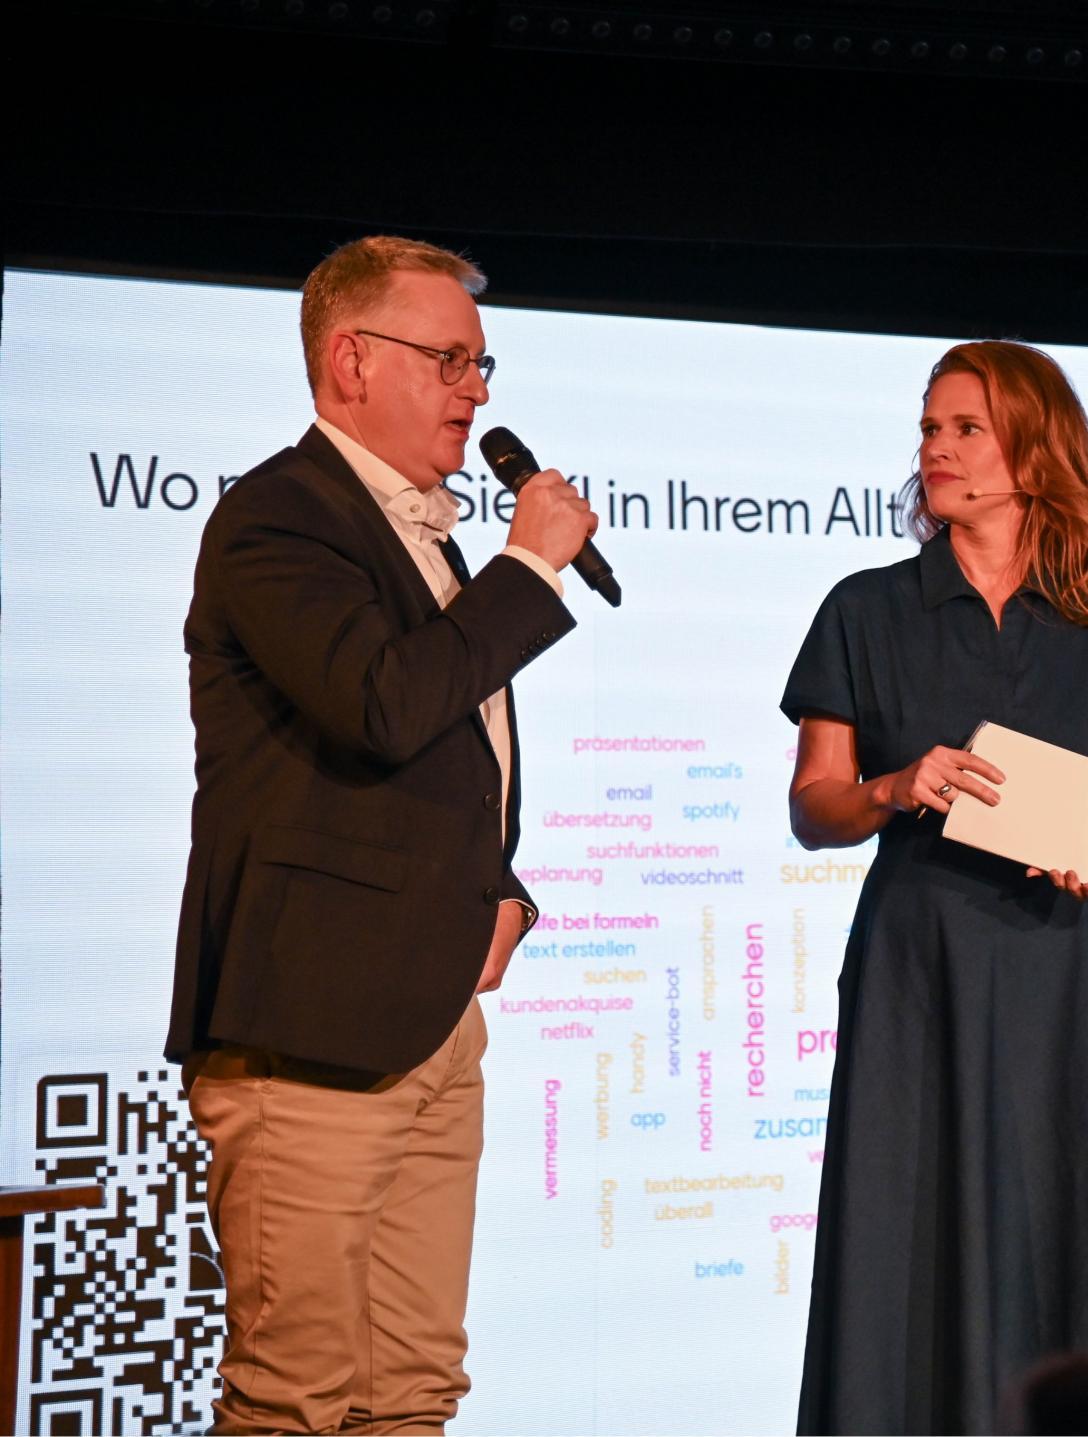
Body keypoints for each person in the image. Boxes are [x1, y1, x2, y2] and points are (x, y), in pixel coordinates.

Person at [166, 234, 598, 1433]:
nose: (478, 391)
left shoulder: (428, 536)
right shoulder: (279, 519)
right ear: (352, 361)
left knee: (411, 1392)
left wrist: (501, 885)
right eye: (449, 359)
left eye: (481, 363)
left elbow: (453, 755)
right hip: (311, 1026)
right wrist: (530, 568)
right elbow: (381, 705)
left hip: (434, 1021)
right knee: (293, 1394)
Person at [783, 341, 1088, 1434]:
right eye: (930, 428)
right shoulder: (866, 608)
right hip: (920, 968)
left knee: (1080, 1222)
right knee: (910, 1232)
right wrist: (892, 786)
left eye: (965, 429)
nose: (937, 448)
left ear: (1033, 448)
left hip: (1067, 964)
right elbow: (815, 806)